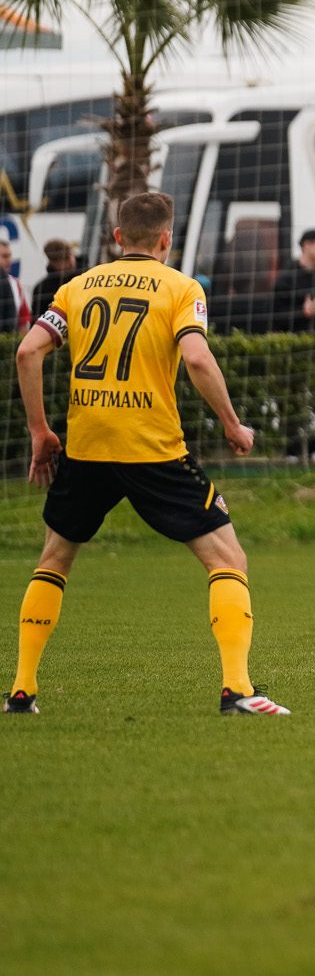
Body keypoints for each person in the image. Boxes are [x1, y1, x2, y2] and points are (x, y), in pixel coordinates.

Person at [8, 191, 279, 717]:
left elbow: (27, 351)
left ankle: (21, 691)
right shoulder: (181, 288)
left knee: (54, 560)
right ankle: (237, 690)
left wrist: (40, 431)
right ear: (166, 239)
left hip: (87, 447)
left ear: (116, 237)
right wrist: (232, 424)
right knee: (228, 560)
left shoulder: (77, 287)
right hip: (152, 450)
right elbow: (197, 358)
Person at [273, 228, 315, 333]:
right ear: (307, 245)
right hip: (295, 336)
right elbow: (277, 314)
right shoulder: (288, 277)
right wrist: (302, 311)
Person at [30, 239, 77, 320]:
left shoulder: (84, 277)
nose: (70, 261)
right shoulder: (42, 288)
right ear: (53, 262)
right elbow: (38, 320)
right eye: (65, 258)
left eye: (70, 256)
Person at [0, 237, 27, 332]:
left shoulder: (15, 283)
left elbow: (23, 320)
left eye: (9, 256)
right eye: (4, 256)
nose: (9, 260)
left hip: (8, 338)